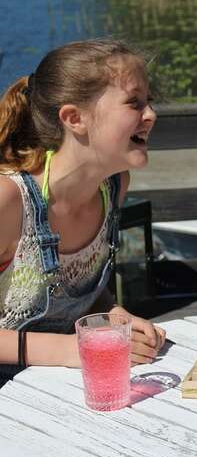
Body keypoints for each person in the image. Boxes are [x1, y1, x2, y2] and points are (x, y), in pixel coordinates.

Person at [0, 39, 166, 381]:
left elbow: (70, 290)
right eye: (134, 103)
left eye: (149, 102)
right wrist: (70, 349)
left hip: (59, 387)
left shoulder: (114, 185)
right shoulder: (9, 200)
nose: (151, 115)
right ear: (74, 118)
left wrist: (113, 314)